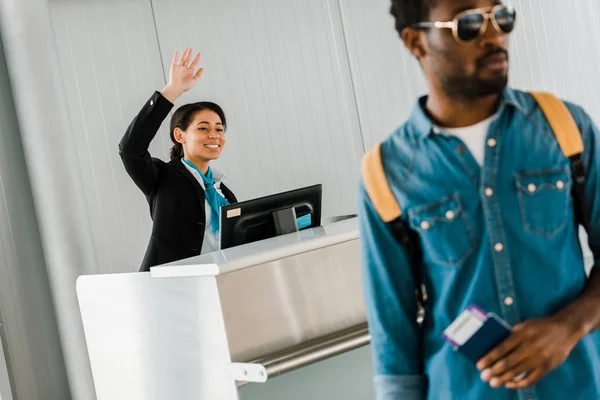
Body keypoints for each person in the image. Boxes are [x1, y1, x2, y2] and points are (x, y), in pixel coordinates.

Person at [358, 1, 600, 399]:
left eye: (500, 18)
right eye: (468, 23)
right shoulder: (386, 173)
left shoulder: (566, 128)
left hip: (576, 387)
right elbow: (393, 336)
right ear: (416, 41)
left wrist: (568, 327)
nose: (494, 35)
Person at [120, 49, 236, 272]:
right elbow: (130, 149)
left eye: (219, 129)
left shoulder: (224, 193)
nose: (215, 135)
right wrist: (171, 91)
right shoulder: (162, 178)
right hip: (171, 285)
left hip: (217, 283)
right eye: (203, 128)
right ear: (179, 135)